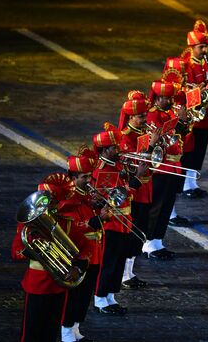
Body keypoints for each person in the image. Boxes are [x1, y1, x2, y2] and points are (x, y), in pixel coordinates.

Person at [12, 173, 88, 342]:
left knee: (50, 332)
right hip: (36, 285)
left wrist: (77, 269)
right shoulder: (27, 226)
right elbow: (16, 252)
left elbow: (84, 251)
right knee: (31, 333)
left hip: (59, 285)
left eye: (47, 203)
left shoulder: (67, 224)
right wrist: (33, 250)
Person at [92, 123, 147, 315]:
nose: (119, 150)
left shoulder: (116, 165)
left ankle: (111, 296)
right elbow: (119, 196)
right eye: (115, 148)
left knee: (118, 262)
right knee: (108, 262)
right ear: (105, 150)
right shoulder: (101, 172)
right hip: (112, 224)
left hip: (124, 222)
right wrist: (137, 177)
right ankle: (100, 298)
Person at [61, 149, 107, 342]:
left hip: (93, 251)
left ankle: (76, 328)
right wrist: (97, 220)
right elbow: (72, 227)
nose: (88, 180)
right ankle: (66, 331)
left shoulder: (87, 195)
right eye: (84, 177)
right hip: (78, 254)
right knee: (74, 294)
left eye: (89, 176)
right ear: (72, 177)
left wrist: (99, 206)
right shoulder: (67, 199)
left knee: (86, 293)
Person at [144, 73, 189, 259]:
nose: (171, 101)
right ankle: (148, 244)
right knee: (157, 206)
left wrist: (183, 120)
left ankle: (158, 241)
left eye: (171, 97)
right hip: (161, 167)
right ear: (158, 98)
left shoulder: (168, 112)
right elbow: (160, 139)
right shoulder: (153, 115)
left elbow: (182, 135)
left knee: (167, 206)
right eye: (167, 98)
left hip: (174, 165)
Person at [119, 91, 159, 288]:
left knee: (140, 233)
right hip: (134, 193)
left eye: (145, 115)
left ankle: (129, 272)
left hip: (145, 189)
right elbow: (135, 165)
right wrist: (151, 146)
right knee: (132, 235)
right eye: (141, 116)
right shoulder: (125, 138)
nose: (146, 119)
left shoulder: (143, 132)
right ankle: (124, 275)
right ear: (130, 117)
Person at [181, 19, 208, 198]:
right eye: (201, 47)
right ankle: (186, 183)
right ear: (192, 46)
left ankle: (192, 181)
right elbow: (179, 91)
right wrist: (197, 91)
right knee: (189, 150)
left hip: (203, 113)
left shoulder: (207, 64)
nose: (205, 51)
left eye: (206, 47)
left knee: (200, 148)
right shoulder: (184, 65)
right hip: (189, 115)